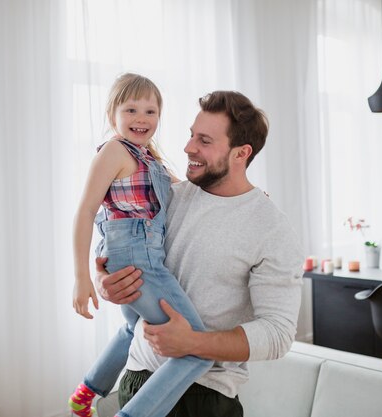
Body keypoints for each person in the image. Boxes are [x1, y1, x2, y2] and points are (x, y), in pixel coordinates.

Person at [95, 90, 304, 416]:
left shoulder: (271, 228)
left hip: (203, 399)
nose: (188, 147)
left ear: (241, 153)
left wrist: (193, 343)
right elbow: (113, 233)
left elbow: (278, 334)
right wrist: (103, 278)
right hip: (136, 381)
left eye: (204, 140)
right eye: (192, 135)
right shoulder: (166, 197)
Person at [69, 73, 213, 417]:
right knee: (198, 350)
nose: (141, 119)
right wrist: (81, 277)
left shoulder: (149, 158)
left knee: (134, 328)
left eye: (151, 111)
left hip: (140, 253)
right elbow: (86, 210)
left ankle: (85, 392)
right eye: (131, 109)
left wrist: (246, 196)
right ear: (112, 115)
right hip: (138, 258)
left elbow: (188, 193)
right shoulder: (115, 151)